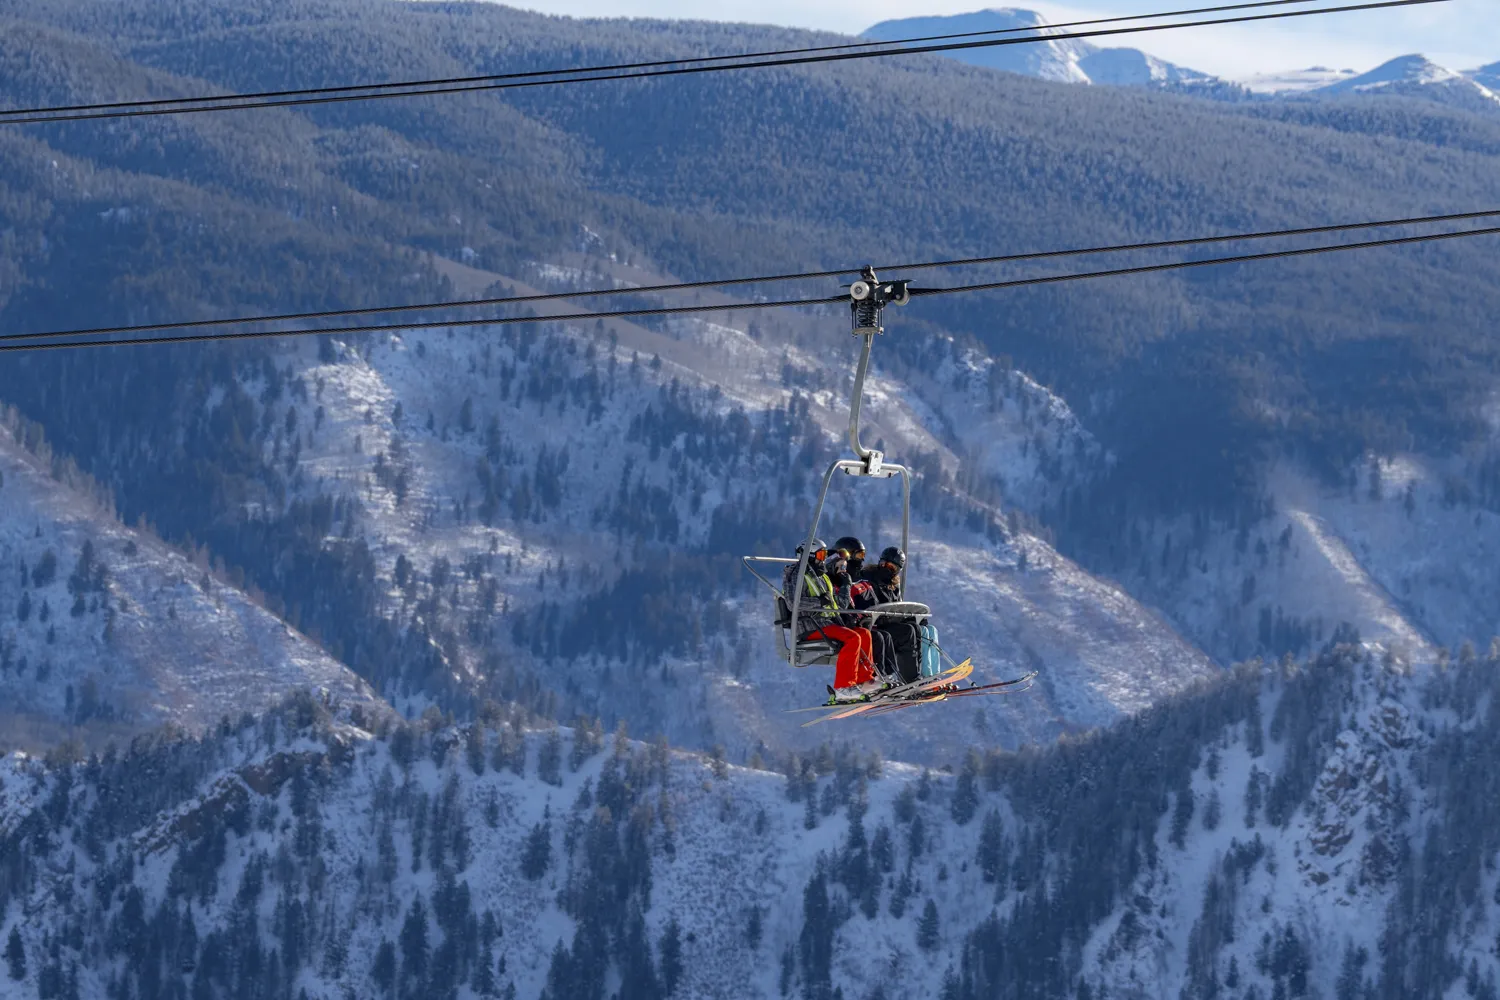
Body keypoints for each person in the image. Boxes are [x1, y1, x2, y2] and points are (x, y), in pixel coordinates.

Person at [781, 540, 883, 702]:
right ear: (809, 556)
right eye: (820, 555)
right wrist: (819, 602)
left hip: (828, 623)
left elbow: (838, 605)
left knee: (864, 633)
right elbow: (792, 603)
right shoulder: (796, 574)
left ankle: (863, 680)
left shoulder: (821, 577)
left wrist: (845, 586)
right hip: (810, 626)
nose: (823, 559)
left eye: (825, 555)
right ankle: (843, 687)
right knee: (852, 638)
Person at [827, 537, 897, 682]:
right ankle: (872, 679)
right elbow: (840, 604)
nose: (862, 560)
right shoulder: (835, 578)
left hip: (854, 621)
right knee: (875, 637)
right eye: (859, 555)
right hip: (837, 624)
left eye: (863, 556)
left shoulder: (857, 580)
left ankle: (888, 676)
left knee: (883, 636)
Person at [852, 546, 924, 683]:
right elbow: (866, 603)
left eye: (892, 568)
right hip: (874, 625)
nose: (886, 568)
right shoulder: (868, 578)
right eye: (884, 564)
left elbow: (897, 608)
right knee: (907, 632)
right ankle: (909, 679)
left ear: (897, 571)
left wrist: (910, 616)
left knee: (915, 628)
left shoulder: (892, 587)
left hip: (886, 622)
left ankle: (917, 674)